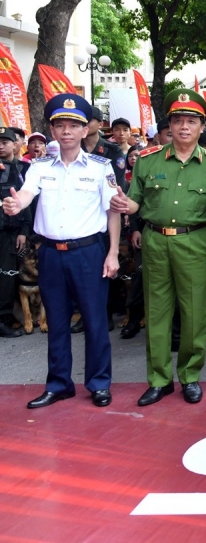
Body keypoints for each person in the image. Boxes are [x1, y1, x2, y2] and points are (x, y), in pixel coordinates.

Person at [111, 89, 206, 407]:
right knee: (157, 313)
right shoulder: (148, 161)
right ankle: (159, 380)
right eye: (178, 121)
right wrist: (125, 204)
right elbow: (136, 201)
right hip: (156, 240)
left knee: (193, 314)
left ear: (202, 126)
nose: (184, 127)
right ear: (170, 126)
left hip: (195, 241)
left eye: (191, 121)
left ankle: (190, 377)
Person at [6, 94, 120, 407]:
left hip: (88, 252)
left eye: (73, 125)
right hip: (51, 253)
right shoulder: (40, 167)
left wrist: (112, 254)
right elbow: (28, 193)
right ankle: (59, 384)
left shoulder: (101, 167)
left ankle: (98, 383)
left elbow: (113, 211)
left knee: (95, 321)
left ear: (85, 130)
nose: (66, 131)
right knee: (56, 320)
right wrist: (17, 204)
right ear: (53, 131)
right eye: (60, 125)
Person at [0, 127, 30, 338]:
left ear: (15, 144)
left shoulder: (24, 169)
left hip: (11, 231)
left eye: (5, 142)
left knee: (8, 276)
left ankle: (4, 319)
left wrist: (23, 230)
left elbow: (27, 203)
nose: (1, 146)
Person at [83, 106, 127, 189]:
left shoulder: (113, 151)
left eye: (89, 120)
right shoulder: (73, 149)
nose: (85, 123)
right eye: (82, 120)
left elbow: (118, 184)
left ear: (100, 124)